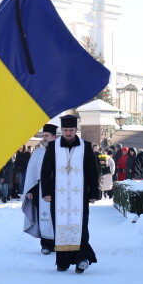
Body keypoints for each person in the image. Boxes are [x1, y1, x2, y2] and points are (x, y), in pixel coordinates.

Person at [40, 115, 100, 273]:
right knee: (60, 226)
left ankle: (81, 259)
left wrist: (94, 193)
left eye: (71, 130)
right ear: (62, 130)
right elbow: (46, 171)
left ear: (76, 130)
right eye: (66, 130)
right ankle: (63, 261)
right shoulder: (53, 146)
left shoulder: (85, 146)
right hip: (58, 196)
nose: (68, 133)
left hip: (79, 197)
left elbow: (92, 171)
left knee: (80, 226)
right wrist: (46, 192)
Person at [22, 124, 58, 254]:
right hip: (41, 189)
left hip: (59, 189)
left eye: (47, 136)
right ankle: (46, 244)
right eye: (43, 136)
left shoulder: (61, 151)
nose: (44, 138)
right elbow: (32, 174)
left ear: (54, 137)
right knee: (42, 215)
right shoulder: (38, 153)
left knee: (58, 216)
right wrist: (31, 190)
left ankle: (59, 243)